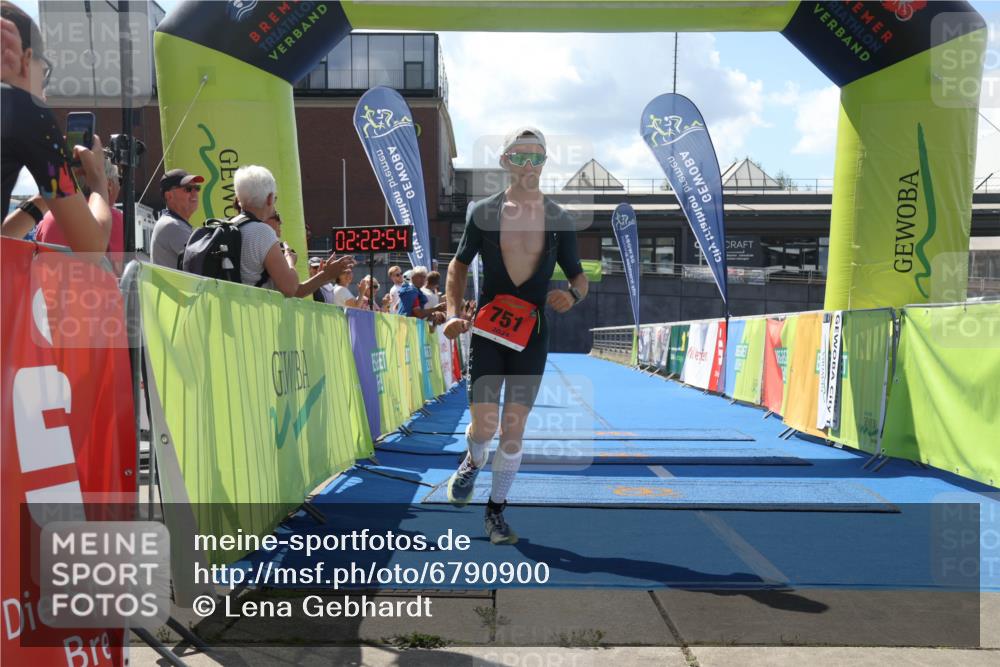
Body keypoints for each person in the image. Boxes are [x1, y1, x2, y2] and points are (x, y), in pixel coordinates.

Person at [441, 127, 588, 545]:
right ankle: (472, 461)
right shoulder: (484, 212)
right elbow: (457, 265)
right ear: (505, 161)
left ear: (545, 162)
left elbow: (578, 277)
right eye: (520, 157)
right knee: (483, 429)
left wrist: (572, 295)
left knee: (513, 430)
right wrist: (452, 313)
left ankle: (495, 512)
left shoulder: (559, 219)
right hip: (489, 333)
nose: (528, 165)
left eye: (536, 157)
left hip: (532, 336)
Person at [0, 3, 112, 254]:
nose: (45, 92)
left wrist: (45, 197)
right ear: (26, 59)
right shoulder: (25, 109)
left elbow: (3, 237)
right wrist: (98, 181)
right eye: (44, 72)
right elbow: (92, 249)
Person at [231, 164, 353, 297]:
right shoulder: (263, 232)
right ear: (270, 198)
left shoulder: (230, 225)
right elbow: (291, 289)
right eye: (275, 199)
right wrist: (289, 259)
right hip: (253, 308)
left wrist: (324, 276)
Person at [34, 153, 125, 274]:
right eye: (120, 180)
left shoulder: (46, 219)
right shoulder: (115, 219)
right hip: (94, 285)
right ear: (109, 185)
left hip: (51, 285)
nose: (120, 186)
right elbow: (122, 273)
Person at [149, 168, 203, 268]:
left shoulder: (173, 223)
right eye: (188, 189)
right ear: (169, 196)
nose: (195, 193)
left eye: (197, 188)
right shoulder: (172, 225)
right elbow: (205, 262)